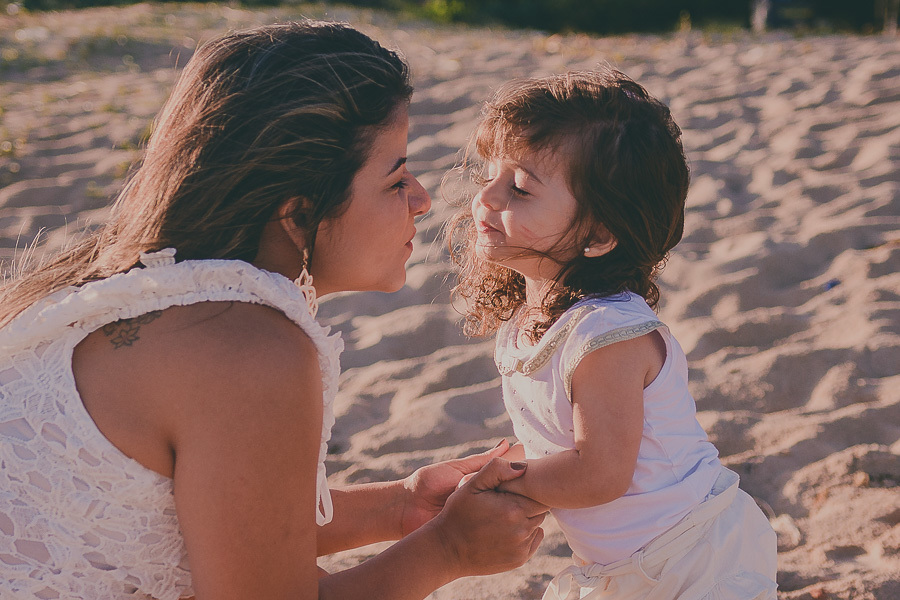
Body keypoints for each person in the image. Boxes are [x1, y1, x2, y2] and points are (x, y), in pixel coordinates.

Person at [0, 21, 548, 600]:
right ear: (297, 214)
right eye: (394, 180)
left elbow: (213, 518)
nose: (421, 198)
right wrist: (448, 551)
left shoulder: (132, 284)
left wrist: (401, 505)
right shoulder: (247, 350)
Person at [448, 69, 777, 599]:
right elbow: (556, 438)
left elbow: (600, 472)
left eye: (520, 189)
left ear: (599, 235)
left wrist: (508, 480)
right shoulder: (524, 325)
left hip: (695, 555)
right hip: (627, 565)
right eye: (489, 175)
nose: (485, 198)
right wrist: (497, 472)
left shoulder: (607, 334)